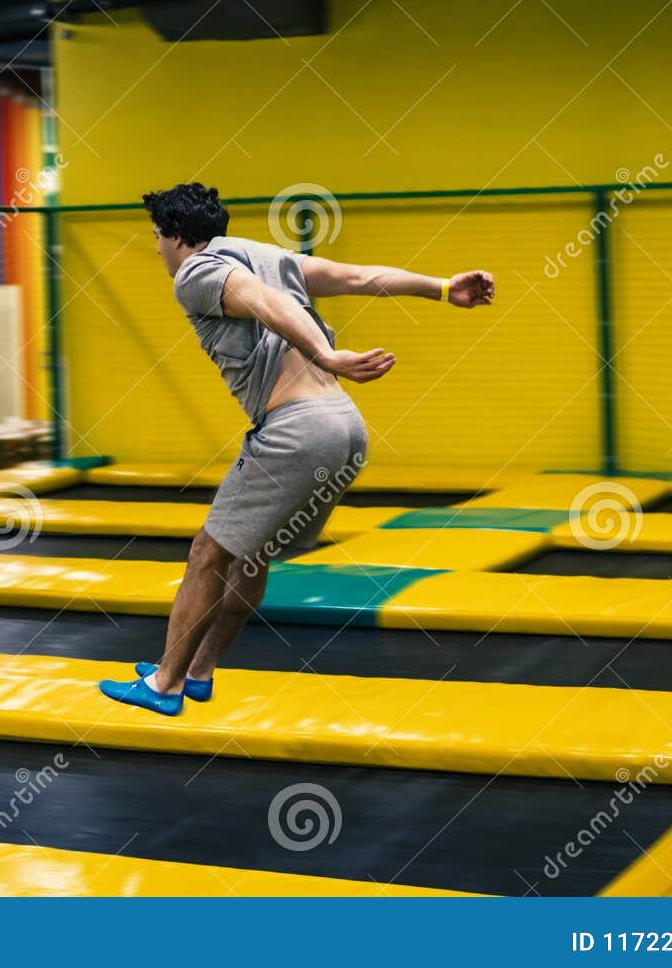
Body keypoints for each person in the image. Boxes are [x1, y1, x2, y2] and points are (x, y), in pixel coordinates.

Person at [99, 182, 495, 716]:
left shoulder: (195, 273)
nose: (155, 249)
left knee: (206, 555)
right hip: (344, 430)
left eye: (156, 237)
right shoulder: (265, 255)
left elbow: (268, 303)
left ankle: (164, 685)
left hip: (298, 429)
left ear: (175, 235)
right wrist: (443, 288)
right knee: (250, 556)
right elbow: (356, 277)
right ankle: (198, 672)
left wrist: (325, 354)